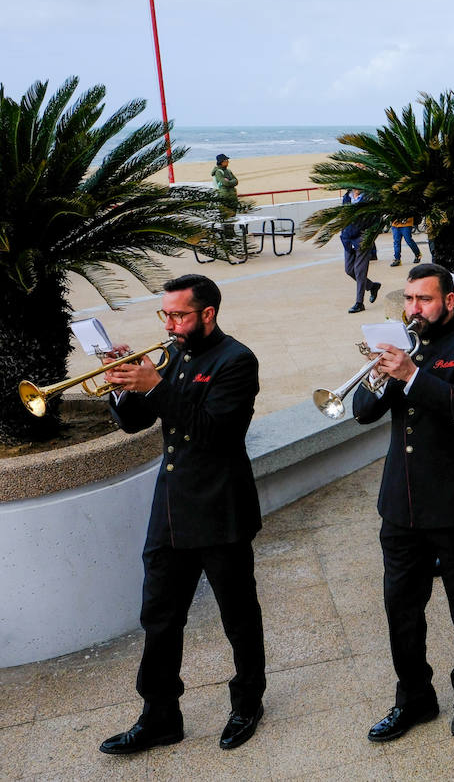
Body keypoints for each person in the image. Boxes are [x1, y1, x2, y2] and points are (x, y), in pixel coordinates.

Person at [99, 274, 266, 754]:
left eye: (179, 315)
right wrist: (125, 387)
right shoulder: (172, 355)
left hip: (220, 510)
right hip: (170, 510)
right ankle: (159, 716)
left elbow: (217, 432)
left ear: (207, 314)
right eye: (165, 314)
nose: (170, 324)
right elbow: (136, 423)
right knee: (159, 617)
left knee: (238, 615)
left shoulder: (237, 360)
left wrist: (157, 385)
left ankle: (247, 702)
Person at [353, 264, 454, 743]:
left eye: (424, 299)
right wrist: (378, 375)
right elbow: (363, 414)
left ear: (449, 299)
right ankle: (414, 698)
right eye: (408, 299)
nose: (413, 309)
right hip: (400, 503)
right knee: (401, 607)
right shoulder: (403, 345)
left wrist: (412, 374)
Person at [341, 189, 381, 313]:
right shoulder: (347, 197)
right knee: (349, 270)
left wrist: (368, 234)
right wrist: (344, 233)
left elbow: (375, 218)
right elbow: (343, 216)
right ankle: (372, 286)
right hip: (348, 238)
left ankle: (359, 303)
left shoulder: (370, 197)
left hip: (362, 239)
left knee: (359, 271)